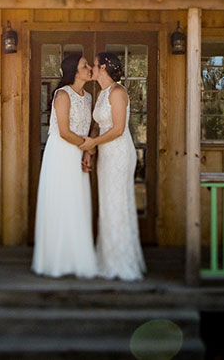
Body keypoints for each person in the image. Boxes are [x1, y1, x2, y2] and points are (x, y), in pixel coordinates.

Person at [31, 53, 98, 278]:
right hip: (61, 153)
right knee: (62, 203)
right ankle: (57, 259)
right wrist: (87, 146)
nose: (89, 68)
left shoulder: (88, 97)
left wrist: (88, 151)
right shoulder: (62, 95)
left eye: (88, 65)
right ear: (74, 71)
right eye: (85, 65)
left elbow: (90, 128)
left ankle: (77, 258)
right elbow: (64, 131)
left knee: (77, 203)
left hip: (78, 152)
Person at [82, 51, 146, 280]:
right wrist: (90, 150)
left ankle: (121, 262)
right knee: (108, 204)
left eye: (95, 64)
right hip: (105, 154)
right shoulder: (102, 93)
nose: (92, 67)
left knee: (117, 203)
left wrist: (93, 143)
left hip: (119, 153)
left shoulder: (118, 92)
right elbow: (98, 125)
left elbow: (118, 128)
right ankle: (108, 258)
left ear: (104, 68)